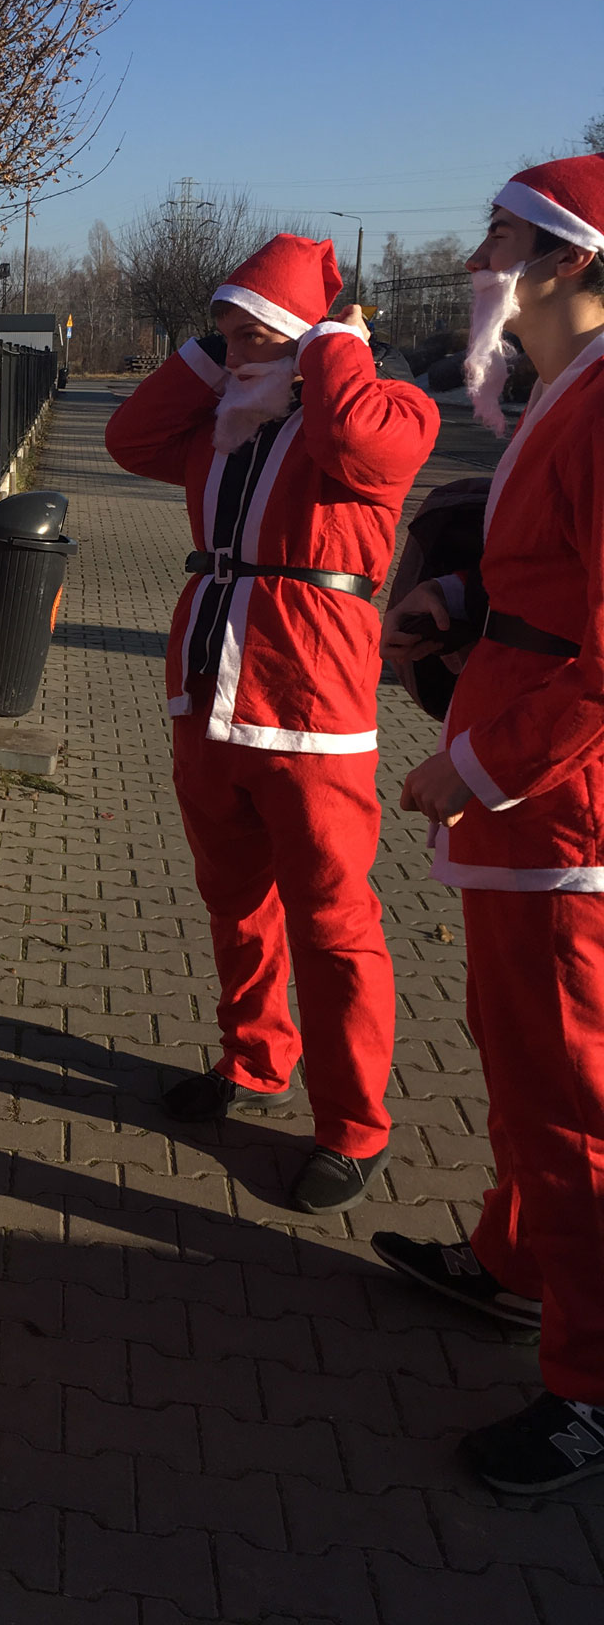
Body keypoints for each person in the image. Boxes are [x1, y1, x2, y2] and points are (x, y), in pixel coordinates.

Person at [105, 237, 438, 1212]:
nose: (235, 346)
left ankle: (354, 1126)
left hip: (311, 708)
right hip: (207, 693)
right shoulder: (224, 425)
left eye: (255, 330)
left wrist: (335, 344)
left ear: (308, 337)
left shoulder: (388, 409)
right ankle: (254, 1060)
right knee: (234, 898)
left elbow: (361, 446)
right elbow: (129, 437)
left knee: (333, 922)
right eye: (225, 327)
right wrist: (211, 357)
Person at [383, 153, 604, 1494]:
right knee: (519, 1063)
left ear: (570, 258)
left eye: (500, 239)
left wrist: (479, 765)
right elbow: (558, 582)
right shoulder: (563, 395)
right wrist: (459, 606)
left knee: (572, 1099)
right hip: (529, 814)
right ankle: (517, 1263)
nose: (478, 262)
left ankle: (590, 1389)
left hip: (564, 822)